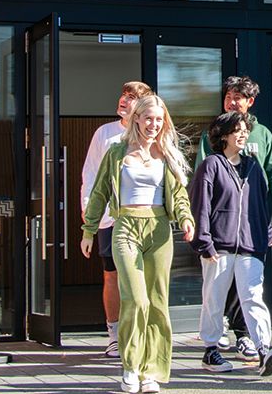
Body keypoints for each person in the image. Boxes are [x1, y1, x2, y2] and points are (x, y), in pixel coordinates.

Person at [81, 95, 195, 394]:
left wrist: (186, 218)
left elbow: (179, 195)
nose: (154, 125)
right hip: (126, 227)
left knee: (157, 303)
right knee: (136, 299)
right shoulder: (117, 151)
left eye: (159, 120)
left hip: (158, 230)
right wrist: (88, 230)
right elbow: (100, 191)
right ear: (136, 119)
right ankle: (130, 366)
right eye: (148, 119)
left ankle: (151, 372)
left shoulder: (167, 153)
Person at [194, 75, 272, 359]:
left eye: (238, 97)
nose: (232, 102)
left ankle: (253, 341)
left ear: (250, 102)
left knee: (249, 290)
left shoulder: (262, 137)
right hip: (221, 232)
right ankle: (213, 344)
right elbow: (201, 189)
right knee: (217, 290)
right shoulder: (212, 142)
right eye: (228, 96)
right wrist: (201, 232)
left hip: (251, 229)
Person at [80, 80, 153, 358]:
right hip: (111, 218)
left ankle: (140, 332)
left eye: (131, 97)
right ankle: (114, 334)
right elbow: (90, 174)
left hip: (143, 218)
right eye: (123, 94)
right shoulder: (105, 134)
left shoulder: (151, 135)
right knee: (111, 275)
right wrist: (89, 209)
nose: (124, 99)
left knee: (141, 277)